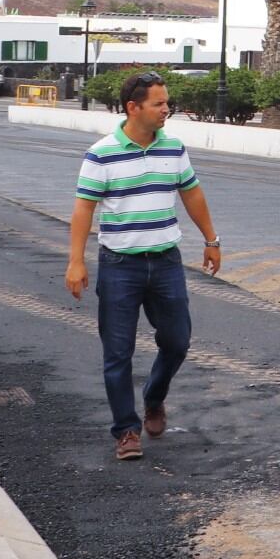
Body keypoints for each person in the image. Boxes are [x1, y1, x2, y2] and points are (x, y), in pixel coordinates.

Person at [66, 71, 220, 462]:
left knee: (177, 341)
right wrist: (75, 262)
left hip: (166, 263)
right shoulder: (101, 154)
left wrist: (211, 239)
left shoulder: (174, 148)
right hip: (120, 266)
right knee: (118, 352)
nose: (167, 109)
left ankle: (154, 397)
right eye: (159, 103)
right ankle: (126, 431)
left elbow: (192, 193)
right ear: (133, 108)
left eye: (167, 102)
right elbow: (84, 209)